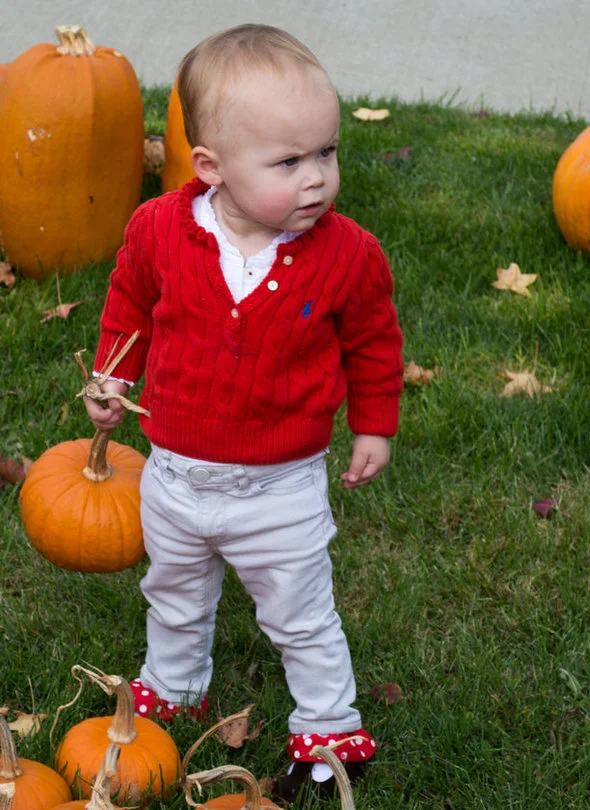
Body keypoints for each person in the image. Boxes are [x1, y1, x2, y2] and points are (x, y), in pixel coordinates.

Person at [84, 23, 403, 802]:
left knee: (299, 611)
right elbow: (130, 306)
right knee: (175, 589)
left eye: (327, 152)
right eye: (289, 162)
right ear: (211, 168)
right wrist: (112, 380)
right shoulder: (160, 231)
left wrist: (373, 424)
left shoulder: (346, 254)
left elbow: (371, 341)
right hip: (176, 474)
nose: (317, 179)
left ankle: (329, 726)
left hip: (280, 487)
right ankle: (175, 681)